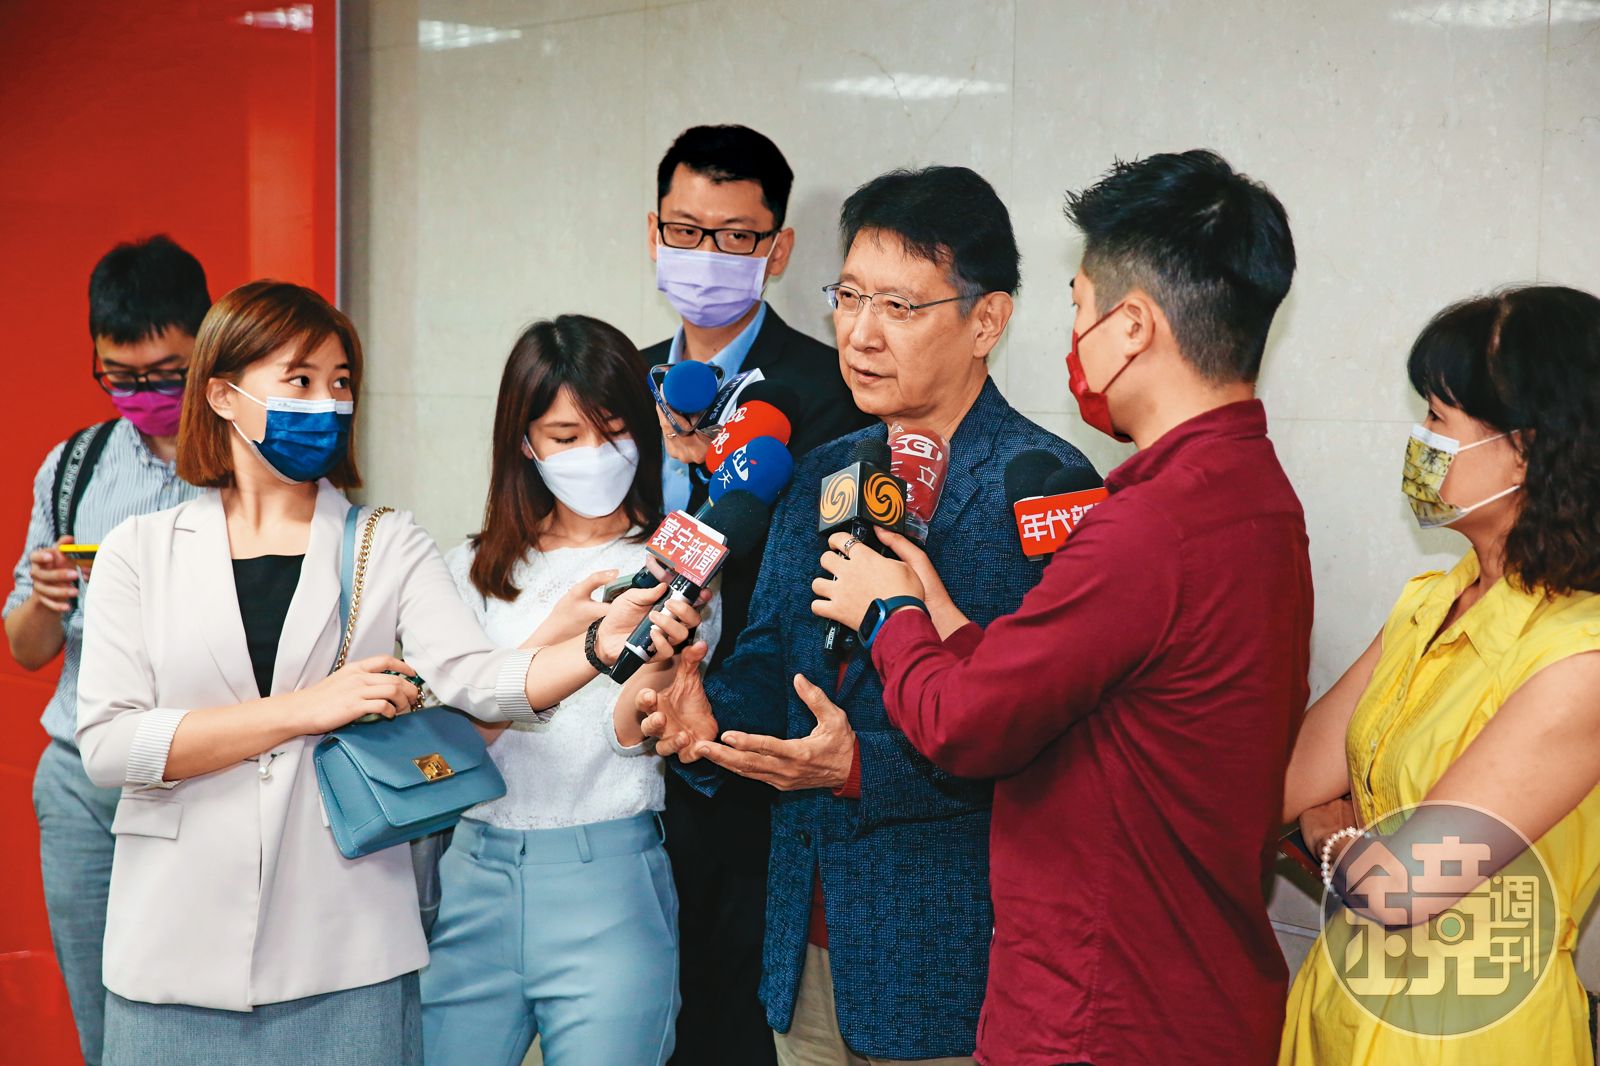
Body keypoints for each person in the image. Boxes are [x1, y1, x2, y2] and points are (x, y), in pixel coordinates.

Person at [73, 281, 699, 1066]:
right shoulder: (138, 550)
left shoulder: (385, 542)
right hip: (172, 942)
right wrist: (306, 709)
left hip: (348, 943)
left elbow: (479, 684)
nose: (328, 404)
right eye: (300, 381)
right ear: (224, 395)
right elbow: (109, 747)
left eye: (341, 382)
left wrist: (598, 648)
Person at [811, 150, 1310, 1066]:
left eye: (1079, 309)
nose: (1072, 338)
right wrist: (949, 622)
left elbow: (967, 728)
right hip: (1192, 991)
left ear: (1132, 328)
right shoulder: (1252, 494)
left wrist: (890, 616)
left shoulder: (1149, 525)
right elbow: (1086, 701)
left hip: (1101, 1007)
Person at [641, 165, 1090, 1065]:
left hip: (955, 964)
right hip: (803, 952)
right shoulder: (821, 470)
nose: (860, 333)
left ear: (987, 321)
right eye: (848, 298)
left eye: (899, 306)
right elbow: (773, 658)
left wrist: (861, 770)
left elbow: (1055, 741)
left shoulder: (1044, 487)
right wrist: (708, 714)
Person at [1280, 286, 1600, 1065]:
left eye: (1436, 418)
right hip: (1341, 1009)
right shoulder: (1430, 601)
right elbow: (1284, 783)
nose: (1419, 441)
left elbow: (1400, 888)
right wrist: (1346, 840)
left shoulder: (1581, 657)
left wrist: (1329, 832)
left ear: (1528, 449)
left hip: (1472, 1034)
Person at [422, 314, 719, 1066]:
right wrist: (559, 633)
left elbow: (632, 733)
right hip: (472, 874)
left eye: (614, 431)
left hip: (609, 879)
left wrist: (663, 665)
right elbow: (451, 745)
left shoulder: (674, 565)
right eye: (565, 436)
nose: (594, 454)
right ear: (524, 443)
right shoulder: (468, 570)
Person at [643, 123, 870, 1065]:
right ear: (652, 231)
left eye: (736, 236)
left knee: (727, 1027)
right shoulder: (620, 380)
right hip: (617, 759)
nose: (708, 254)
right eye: (686, 230)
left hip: (740, 764)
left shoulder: (830, 390)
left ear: (776, 249)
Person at [3, 235, 209, 1065]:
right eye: (119, 378)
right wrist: (45, 599)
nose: (143, 396)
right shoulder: (72, 468)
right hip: (81, 781)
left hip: (203, 772)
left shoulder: (255, 464)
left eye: (165, 374)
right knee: (100, 1015)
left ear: (206, 345)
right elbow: (25, 648)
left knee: (200, 1008)